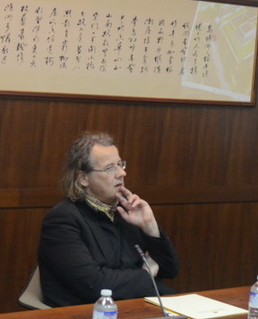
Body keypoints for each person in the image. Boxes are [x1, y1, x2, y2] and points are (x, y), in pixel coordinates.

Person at [38, 132, 179, 307]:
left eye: (120, 164)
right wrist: (146, 273)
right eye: (110, 168)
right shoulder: (62, 220)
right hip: (89, 315)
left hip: (139, 306)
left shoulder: (126, 211)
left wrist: (150, 227)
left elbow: (170, 269)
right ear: (83, 178)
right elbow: (95, 285)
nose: (122, 173)